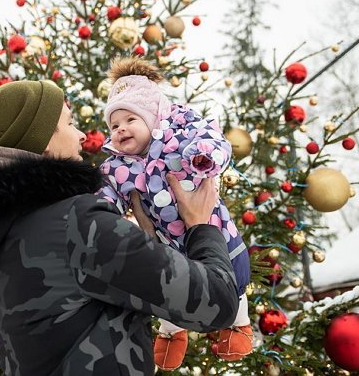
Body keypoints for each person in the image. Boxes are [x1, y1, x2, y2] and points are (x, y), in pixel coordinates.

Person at [0, 79, 240, 376]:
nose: (81, 136)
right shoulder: (76, 223)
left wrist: (147, 243)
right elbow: (217, 303)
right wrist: (201, 226)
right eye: (69, 122)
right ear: (44, 137)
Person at [99, 58, 252, 370]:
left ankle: (239, 325)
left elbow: (212, 139)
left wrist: (202, 157)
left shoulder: (179, 136)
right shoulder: (117, 167)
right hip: (167, 246)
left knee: (233, 279)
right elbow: (107, 195)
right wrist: (100, 210)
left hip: (215, 234)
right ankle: (171, 334)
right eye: (114, 125)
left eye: (130, 119)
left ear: (154, 118)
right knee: (167, 285)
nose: (121, 129)